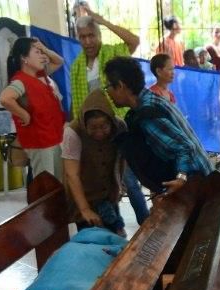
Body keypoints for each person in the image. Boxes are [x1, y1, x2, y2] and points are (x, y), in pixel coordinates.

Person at [69, 7, 146, 225]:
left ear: (99, 35)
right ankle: (114, 223)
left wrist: (103, 21)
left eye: (91, 35)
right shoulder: (76, 66)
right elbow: (77, 103)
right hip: (93, 133)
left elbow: (134, 41)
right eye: (82, 37)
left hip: (116, 129)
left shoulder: (112, 54)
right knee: (102, 180)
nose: (87, 41)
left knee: (128, 180)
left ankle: (146, 223)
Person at [104, 56, 213, 195]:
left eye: (108, 86)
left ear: (120, 86)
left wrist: (181, 178)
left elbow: (185, 147)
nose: (107, 93)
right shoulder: (150, 101)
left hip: (199, 186)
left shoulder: (148, 113)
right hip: (200, 181)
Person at [62, 90, 127, 237]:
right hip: (83, 195)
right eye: (93, 127)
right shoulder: (73, 132)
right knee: (92, 238)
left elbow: (122, 160)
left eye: (104, 127)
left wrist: (119, 185)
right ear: (84, 124)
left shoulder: (119, 126)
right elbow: (72, 174)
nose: (99, 132)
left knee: (115, 234)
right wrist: (85, 209)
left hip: (109, 195)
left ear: (111, 121)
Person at [0, 37, 66, 181]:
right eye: (37, 52)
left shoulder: (41, 75)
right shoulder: (21, 80)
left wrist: (45, 49)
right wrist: (24, 115)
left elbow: (59, 61)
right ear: (24, 58)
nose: (43, 56)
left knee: (58, 182)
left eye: (42, 52)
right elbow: (5, 98)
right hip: (40, 141)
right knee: (46, 183)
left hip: (54, 137)